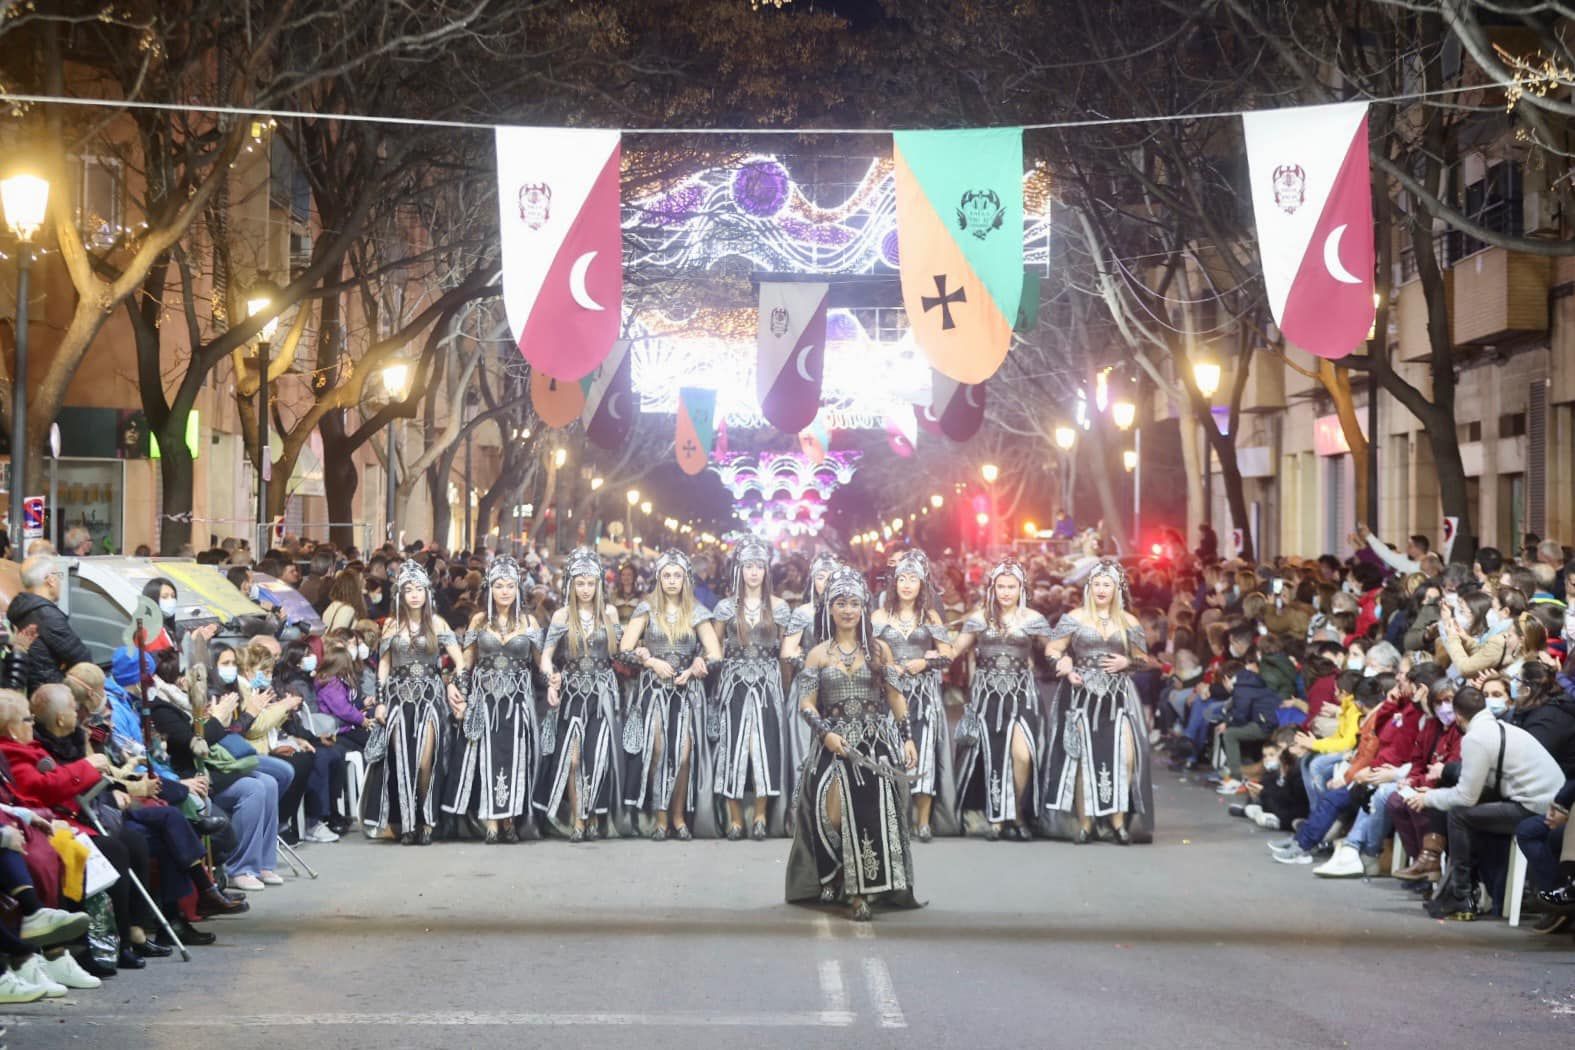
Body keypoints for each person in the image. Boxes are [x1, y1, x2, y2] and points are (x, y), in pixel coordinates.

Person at [784, 567, 919, 922]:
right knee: (833, 814)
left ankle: (862, 892)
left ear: (863, 608)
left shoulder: (880, 651)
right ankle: (840, 877)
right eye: (841, 603)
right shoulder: (817, 654)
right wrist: (825, 733)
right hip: (833, 746)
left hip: (875, 748)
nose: (847, 610)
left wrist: (907, 739)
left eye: (854, 603)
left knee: (870, 815)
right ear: (829, 608)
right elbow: (806, 704)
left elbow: (896, 697)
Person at [1406, 682, 1563, 919]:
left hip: (1538, 808)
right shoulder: (1500, 728)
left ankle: (1461, 895)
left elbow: (1465, 797)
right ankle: (1469, 891)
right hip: (1550, 801)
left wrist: (1428, 797)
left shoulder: (1476, 738)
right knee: (1466, 813)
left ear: (1458, 716)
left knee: (1459, 815)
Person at [1041, 558, 1155, 844]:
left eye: (1107, 584)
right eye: (1097, 584)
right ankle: (1085, 823)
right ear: (1088, 587)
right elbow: (1053, 649)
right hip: (1080, 695)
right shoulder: (1074, 618)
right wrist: (1063, 663)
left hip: (1119, 697)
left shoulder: (1129, 621)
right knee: (1082, 759)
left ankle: (1118, 823)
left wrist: (1127, 661)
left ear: (1117, 589)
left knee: (1125, 757)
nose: (1102, 589)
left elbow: (1144, 660)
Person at [620, 549, 720, 840]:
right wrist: (650, 661)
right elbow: (624, 649)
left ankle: (679, 817)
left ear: (686, 578)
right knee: (659, 751)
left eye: (678, 575)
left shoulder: (697, 611)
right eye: (667, 575)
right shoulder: (646, 608)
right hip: (654, 690)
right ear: (658, 578)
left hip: (687, 692)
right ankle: (660, 816)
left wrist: (699, 665)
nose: (672, 581)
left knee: (684, 755)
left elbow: (715, 654)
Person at [951, 559, 1054, 840]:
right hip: (987, 695)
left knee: (1022, 753)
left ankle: (1017, 813)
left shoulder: (1034, 619)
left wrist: (1067, 658)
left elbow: (1053, 649)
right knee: (993, 755)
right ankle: (997, 817)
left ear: (1021, 588)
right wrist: (933, 652)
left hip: (1024, 693)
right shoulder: (979, 618)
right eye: (1001, 586)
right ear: (992, 588)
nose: (1006, 592)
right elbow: (956, 648)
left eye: (1012, 586)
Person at [364, 561, 466, 845]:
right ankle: (407, 824)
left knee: (424, 762)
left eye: (419, 589)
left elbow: (459, 661)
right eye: (408, 590)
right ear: (400, 595)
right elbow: (382, 667)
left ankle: (427, 819)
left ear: (427, 592)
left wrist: (455, 687)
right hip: (398, 698)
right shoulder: (392, 626)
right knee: (402, 762)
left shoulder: (437, 623)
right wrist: (381, 703)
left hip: (430, 697)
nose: (414, 595)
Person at [442, 556, 542, 843]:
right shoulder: (478, 620)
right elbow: (467, 661)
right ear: (490, 589)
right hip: (484, 699)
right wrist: (456, 686)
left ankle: (509, 820)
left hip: (518, 700)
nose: (505, 591)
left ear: (518, 589)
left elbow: (541, 664)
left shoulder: (530, 621)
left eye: (510, 585)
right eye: (499, 585)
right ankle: (490, 821)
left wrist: (553, 680)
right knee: (485, 758)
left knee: (513, 757)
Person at [534, 547, 625, 841]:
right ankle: (577, 819)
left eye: (591, 583)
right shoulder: (562, 615)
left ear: (599, 584)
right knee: (572, 760)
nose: (586, 589)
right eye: (580, 583)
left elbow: (622, 651)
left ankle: (593, 815)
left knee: (597, 757)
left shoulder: (609, 613)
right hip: (572, 691)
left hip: (603, 692)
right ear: (571, 584)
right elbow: (546, 656)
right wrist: (550, 680)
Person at [710, 537, 794, 841]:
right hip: (733, 684)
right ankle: (735, 819)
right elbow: (714, 649)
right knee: (734, 748)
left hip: (768, 684)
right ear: (739, 569)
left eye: (759, 566)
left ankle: (760, 816)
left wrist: (786, 691)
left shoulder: (781, 608)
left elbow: (786, 654)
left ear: (767, 570)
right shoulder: (724, 607)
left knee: (764, 746)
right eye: (748, 566)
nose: (754, 572)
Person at [871, 549, 957, 841]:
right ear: (893, 583)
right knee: (891, 752)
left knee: (925, 752)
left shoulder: (930, 615)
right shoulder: (879, 616)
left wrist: (926, 662)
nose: (907, 584)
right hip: (890, 694)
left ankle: (923, 821)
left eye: (913, 579)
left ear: (922, 584)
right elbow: (865, 653)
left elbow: (948, 654)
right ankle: (895, 817)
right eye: (902, 578)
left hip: (925, 693)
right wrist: (887, 665)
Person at [6, 556, 92, 695]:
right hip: (53, 696)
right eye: (58, 575)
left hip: (34, 695)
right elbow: (83, 660)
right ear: (50, 580)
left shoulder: (19, 608)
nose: (59, 581)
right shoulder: (47, 615)